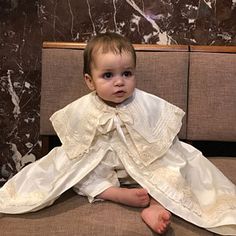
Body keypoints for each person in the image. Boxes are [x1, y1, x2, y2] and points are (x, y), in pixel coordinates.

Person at [0, 32, 236, 235]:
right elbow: (75, 148)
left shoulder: (144, 102)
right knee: (73, 170)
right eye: (108, 75)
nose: (119, 82)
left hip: (140, 162)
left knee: (172, 166)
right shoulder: (84, 107)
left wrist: (160, 153)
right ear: (90, 81)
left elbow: (162, 139)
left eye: (127, 73)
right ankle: (114, 193)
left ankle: (154, 205)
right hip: (102, 162)